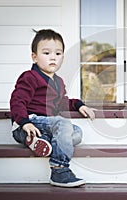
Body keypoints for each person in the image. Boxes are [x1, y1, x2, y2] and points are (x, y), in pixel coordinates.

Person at [10, 29, 95, 187]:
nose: (53, 58)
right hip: (28, 123)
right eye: (47, 53)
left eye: (58, 53)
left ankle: (41, 141)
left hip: (47, 125)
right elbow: (17, 100)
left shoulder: (59, 82)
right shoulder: (30, 77)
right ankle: (59, 169)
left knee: (77, 133)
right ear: (34, 57)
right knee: (63, 124)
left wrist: (78, 105)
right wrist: (24, 122)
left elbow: (62, 102)